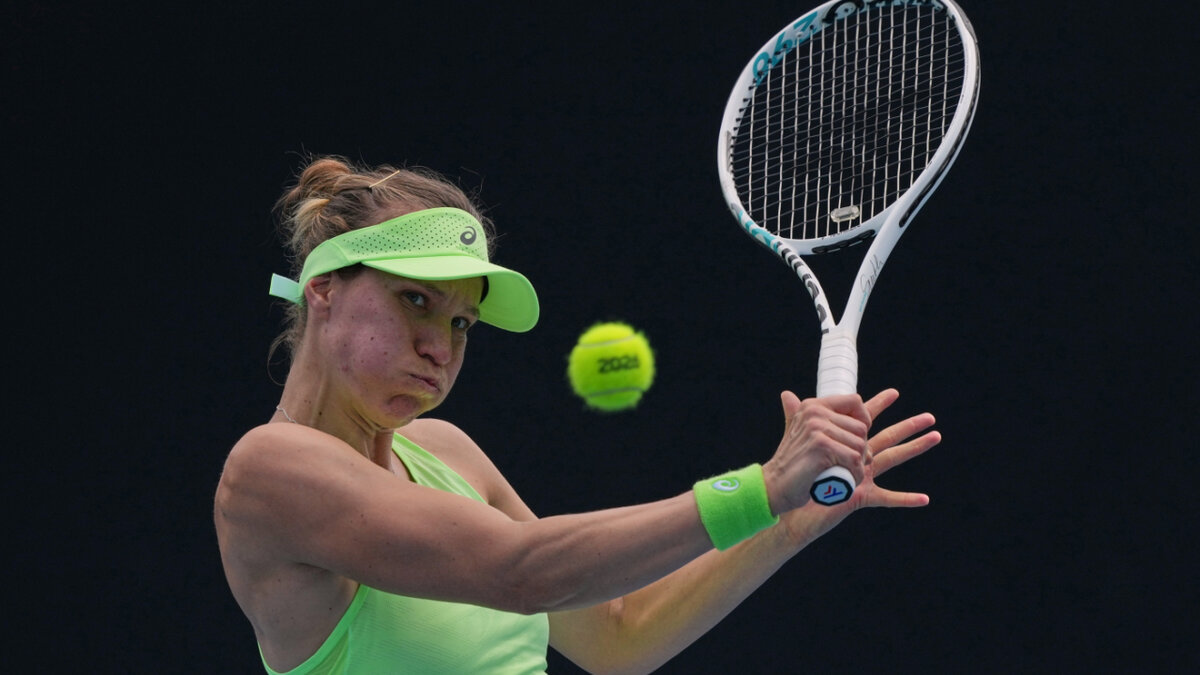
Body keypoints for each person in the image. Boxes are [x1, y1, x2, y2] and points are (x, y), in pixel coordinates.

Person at [214, 155, 941, 674]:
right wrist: (763, 485)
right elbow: (521, 572)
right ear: (324, 288)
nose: (440, 347)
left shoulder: (446, 452)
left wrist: (780, 524)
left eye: (462, 322)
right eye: (416, 301)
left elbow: (620, 639)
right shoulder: (270, 470)